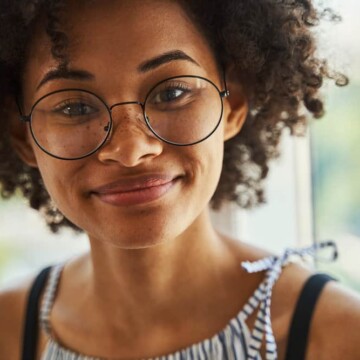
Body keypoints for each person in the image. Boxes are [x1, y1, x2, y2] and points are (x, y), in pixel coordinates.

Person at [0, 0, 360, 359]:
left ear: (231, 104)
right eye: (74, 108)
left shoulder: (338, 336)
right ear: (23, 136)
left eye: (171, 93)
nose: (130, 149)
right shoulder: (9, 332)